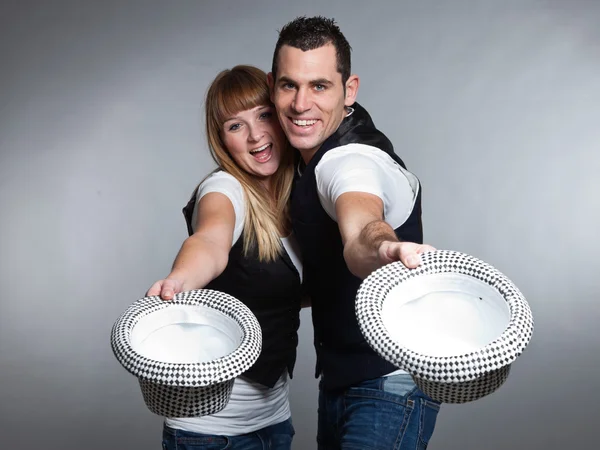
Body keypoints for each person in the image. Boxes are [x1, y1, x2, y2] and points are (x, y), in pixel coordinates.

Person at [267, 16, 441, 449]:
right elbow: (327, 276)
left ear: (349, 90)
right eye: (289, 85)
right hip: (342, 383)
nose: (301, 104)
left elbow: (361, 224)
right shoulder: (303, 160)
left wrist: (381, 245)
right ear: (272, 86)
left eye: (320, 86)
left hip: (389, 386)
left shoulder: (350, 161)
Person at [147, 65, 303, 450]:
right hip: (209, 433)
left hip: (275, 422)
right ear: (221, 140)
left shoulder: (299, 199)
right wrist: (179, 279)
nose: (255, 136)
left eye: (264, 115)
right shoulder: (223, 190)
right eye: (235, 126)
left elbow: (282, 293)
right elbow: (210, 242)